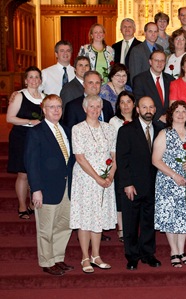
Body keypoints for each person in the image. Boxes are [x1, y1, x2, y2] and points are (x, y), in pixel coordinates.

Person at [24, 94, 75, 276]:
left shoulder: (67, 130)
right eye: (51, 107)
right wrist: (36, 189)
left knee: (65, 224)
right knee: (46, 227)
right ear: (44, 110)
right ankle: (46, 261)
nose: (56, 110)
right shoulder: (36, 132)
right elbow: (31, 163)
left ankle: (58, 258)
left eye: (59, 106)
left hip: (67, 188)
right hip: (46, 188)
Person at [152, 101, 186, 267]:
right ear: (171, 114)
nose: (181, 114)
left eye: (184, 111)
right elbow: (155, 160)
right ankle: (173, 251)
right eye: (177, 111)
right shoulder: (164, 134)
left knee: (184, 216)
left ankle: (181, 251)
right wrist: (174, 175)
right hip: (168, 182)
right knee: (171, 216)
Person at [70, 95, 117, 274]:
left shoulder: (109, 128)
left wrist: (111, 175)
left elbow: (114, 155)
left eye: (98, 106)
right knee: (85, 217)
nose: (95, 109)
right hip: (86, 179)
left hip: (106, 179)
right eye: (92, 106)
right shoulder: (78, 129)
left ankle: (96, 256)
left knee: (98, 217)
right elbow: (80, 158)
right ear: (85, 108)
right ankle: (84, 256)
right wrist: (97, 178)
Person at [116, 96, 162, 271]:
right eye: (144, 107)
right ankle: (132, 256)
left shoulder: (160, 129)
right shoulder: (126, 131)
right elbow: (122, 158)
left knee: (148, 222)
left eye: (151, 107)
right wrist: (127, 183)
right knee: (130, 222)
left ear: (155, 110)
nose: (148, 110)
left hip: (154, 185)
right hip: (132, 186)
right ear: (137, 109)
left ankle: (148, 254)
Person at [7, 66, 45, 219]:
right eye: (31, 77)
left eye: (37, 77)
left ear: (41, 80)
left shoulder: (45, 97)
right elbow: (9, 118)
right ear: (25, 80)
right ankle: (22, 205)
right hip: (21, 137)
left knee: (37, 171)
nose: (34, 80)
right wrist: (30, 121)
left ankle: (32, 204)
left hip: (38, 139)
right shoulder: (19, 96)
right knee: (23, 173)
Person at [109, 91, 137, 242]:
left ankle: (133, 226)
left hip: (137, 164)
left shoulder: (139, 120)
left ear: (134, 104)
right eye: (122, 102)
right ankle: (121, 228)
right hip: (120, 163)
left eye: (128, 102)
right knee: (121, 197)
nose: (125, 106)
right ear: (118, 105)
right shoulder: (114, 122)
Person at [133, 50, 175, 130]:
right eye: (156, 60)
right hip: (150, 124)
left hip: (169, 124)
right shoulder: (140, 79)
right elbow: (139, 101)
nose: (159, 63)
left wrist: (169, 117)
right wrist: (159, 116)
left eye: (162, 61)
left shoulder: (171, 80)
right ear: (150, 62)